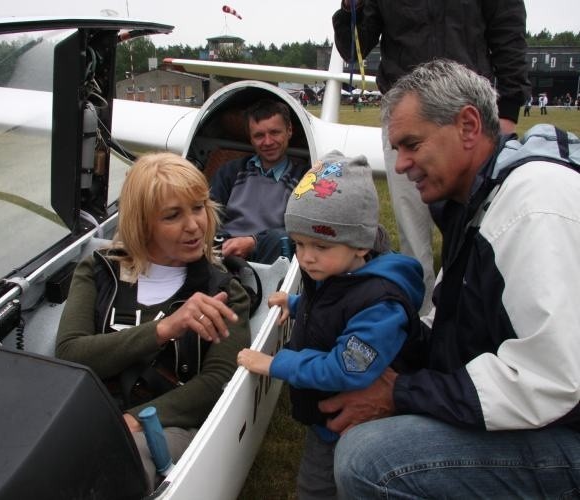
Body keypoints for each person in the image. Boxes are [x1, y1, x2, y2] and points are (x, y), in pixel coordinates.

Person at [316, 60, 580, 498]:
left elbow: (552, 380)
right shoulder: (482, 197)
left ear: (468, 126)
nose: (400, 165)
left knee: (370, 460)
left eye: (411, 145)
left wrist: (401, 393)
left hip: (566, 427)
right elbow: (453, 327)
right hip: (551, 414)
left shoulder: (533, 206)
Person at [56, 152, 251, 492]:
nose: (194, 225)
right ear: (142, 222)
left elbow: (218, 383)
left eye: (198, 207)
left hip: (169, 423)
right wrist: (164, 329)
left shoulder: (224, 293)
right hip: (88, 408)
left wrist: (134, 419)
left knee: (114, 470)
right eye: (173, 215)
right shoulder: (98, 270)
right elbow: (71, 354)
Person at [237, 151, 424, 499]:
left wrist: (277, 363)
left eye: (320, 245)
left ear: (361, 243)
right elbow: (332, 308)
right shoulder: (338, 270)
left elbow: (346, 368)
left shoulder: (380, 305)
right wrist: (295, 303)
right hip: (327, 422)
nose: (306, 257)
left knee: (321, 488)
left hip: (354, 425)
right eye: (299, 244)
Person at [332, 0, 530, 314]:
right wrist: (349, 11)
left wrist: (508, 109)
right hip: (404, 117)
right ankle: (422, 321)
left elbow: (508, 30)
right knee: (412, 232)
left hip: (470, 112)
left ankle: (481, 310)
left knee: (483, 222)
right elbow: (354, 47)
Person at [209, 99, 309, 264]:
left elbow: (301, 228)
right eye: (259, 135)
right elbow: (210, 216)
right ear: (251, 138)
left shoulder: (304, 178)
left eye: (275, 132)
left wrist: (254, 242)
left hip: (271, 254)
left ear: (289, 130)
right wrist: (225, 243)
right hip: (226, 250)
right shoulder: (231, 171)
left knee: (281, 238)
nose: (268, 142)